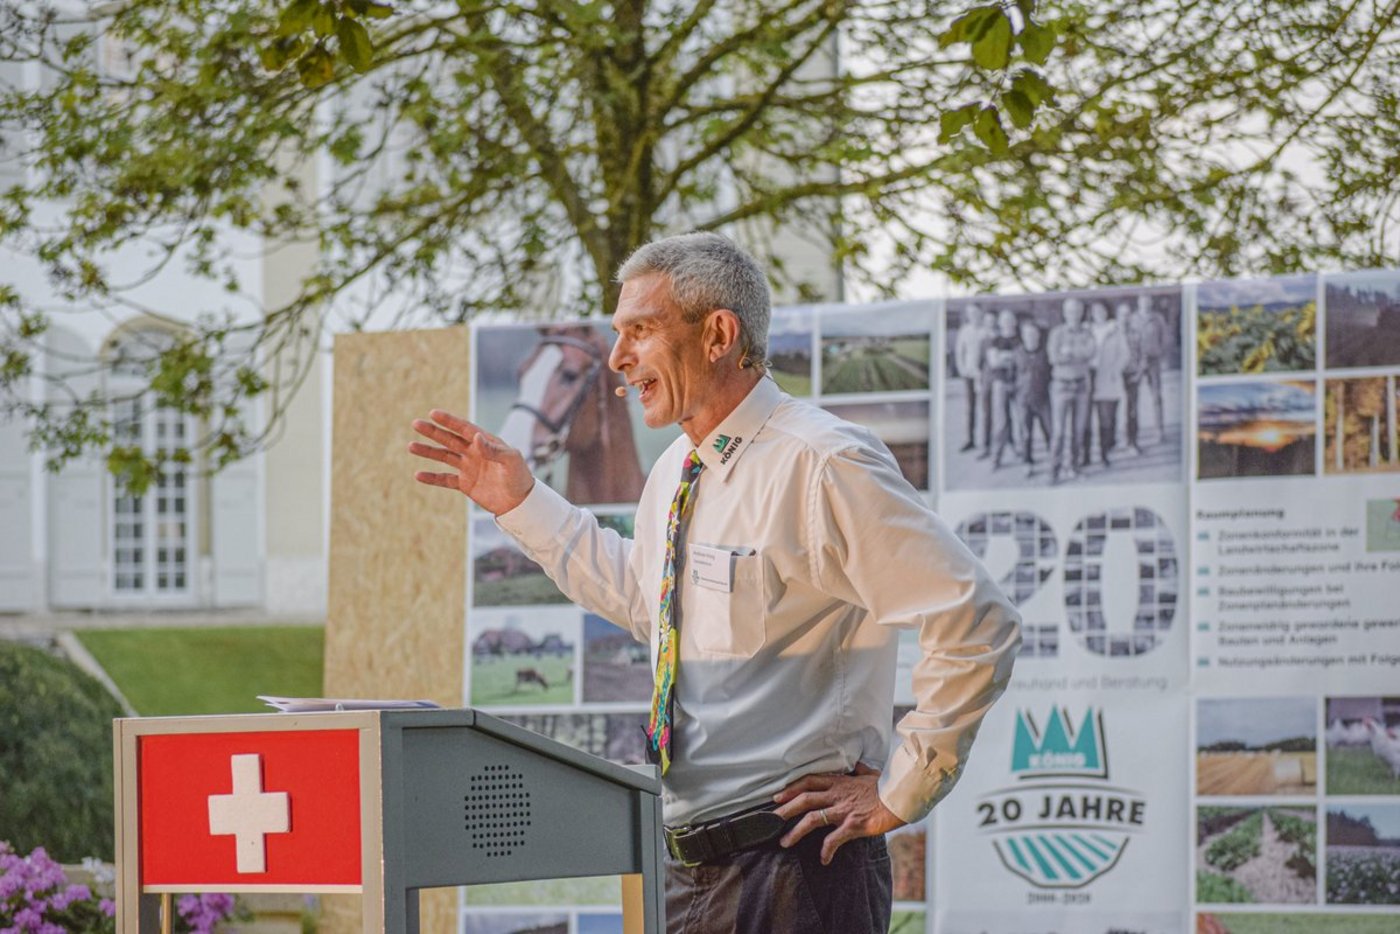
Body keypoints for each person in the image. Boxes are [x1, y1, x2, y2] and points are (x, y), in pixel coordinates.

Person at [409, 232, 1021, 934]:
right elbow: (650, 605)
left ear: (718, 335)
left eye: (639, 331)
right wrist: (520, 501)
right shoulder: (675, 468)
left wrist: (900, 790)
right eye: (617, 334)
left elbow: (973, 618)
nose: (617, 358)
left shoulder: (822, 462)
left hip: (797, 873)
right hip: (689, 871)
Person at [1046, 297, 1097, 483]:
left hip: (1082, 385)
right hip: (1061, 386)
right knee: (1059, 432)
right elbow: (1054, 358)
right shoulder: (1057, 333)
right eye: (1070, 311)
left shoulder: (1087, 332)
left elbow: (1091, 353)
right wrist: (1077, 354)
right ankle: (1054, 471)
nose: (1074, 315)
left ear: (1082, 312)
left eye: (1077, 311)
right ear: (1065, 313)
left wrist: (1070, 353)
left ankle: (1074, 467)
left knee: (1078, 430)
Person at [1088, 302, 1130, 468]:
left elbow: (1124, 354)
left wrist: (1115, 370)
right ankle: (1088, 455)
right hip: (1089, 377)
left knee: (1107, 418)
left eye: (1102, 310)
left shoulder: (1115, 330)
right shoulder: (1087, 330)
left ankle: (1105, 451)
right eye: (1095, 310)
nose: (1098, 313)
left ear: (1107, 312)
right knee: (1087, 419)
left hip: (1108, 378)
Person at [1014, 318, 1052, 477]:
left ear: (1038, 335)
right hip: (1023, 400)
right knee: (1026, 433)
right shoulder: (1017, 353)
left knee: (1049, 430)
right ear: (1023, 336)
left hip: (1043, 399)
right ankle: (1027, 462)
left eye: (1033, 334)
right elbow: (1011, 375)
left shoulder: (1045, 353)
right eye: (1027, 334)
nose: (1031, 337)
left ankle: (1053, 459)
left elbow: (1051, 374)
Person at [1127, 294, 1167, 444]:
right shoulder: (1132, 319)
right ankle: (1132, 435)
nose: (1145, 303)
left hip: (1153, 360)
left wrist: (1160, 353)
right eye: (1142, 301)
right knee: (1133, 398)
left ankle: (1159, 430)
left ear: (1151, 302)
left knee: (1156, 396)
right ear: (1138, 302)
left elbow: (1165, 338)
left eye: (1148, 300)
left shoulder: (1157, 319)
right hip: (1136, 361)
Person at [984, 308, 1021, 468]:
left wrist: (1004, 357)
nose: (1007, 323)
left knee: (1020, 420)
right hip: (1000, 382)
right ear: (1000, 322)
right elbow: (994, 362)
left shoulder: (1021, 339)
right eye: (1004, 319)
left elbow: (1022, 361)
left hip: (1019, 383)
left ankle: (1020, 452)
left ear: (1015, 322)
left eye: (1010, 319)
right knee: (1001, 421)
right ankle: (996, 457)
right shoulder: (995, 341)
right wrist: (1011, 358)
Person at [954, 303, 990, 452]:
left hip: (985, 374)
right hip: (969, 374)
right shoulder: (965, 331)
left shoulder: (986, 330)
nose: (973, 315)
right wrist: (962, 369)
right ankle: (970, 439)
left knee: (987, 408)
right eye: (970, 313)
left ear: (981, 312)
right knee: (971, 408)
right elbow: (959, 351)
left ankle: (987, 441)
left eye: (976, 312)